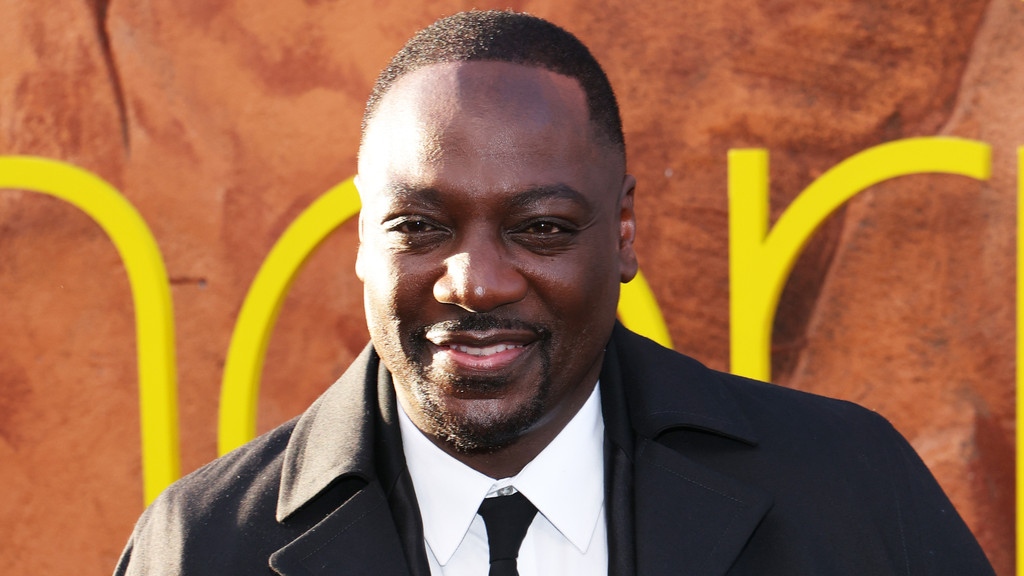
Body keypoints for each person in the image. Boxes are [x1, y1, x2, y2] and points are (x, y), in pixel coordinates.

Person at [114, 10, 995, 576]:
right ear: (361, 240)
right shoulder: (200, 550)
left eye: (539, 228)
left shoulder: (847, 495)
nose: (475, 282)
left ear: (622, 236)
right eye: (420, 226)